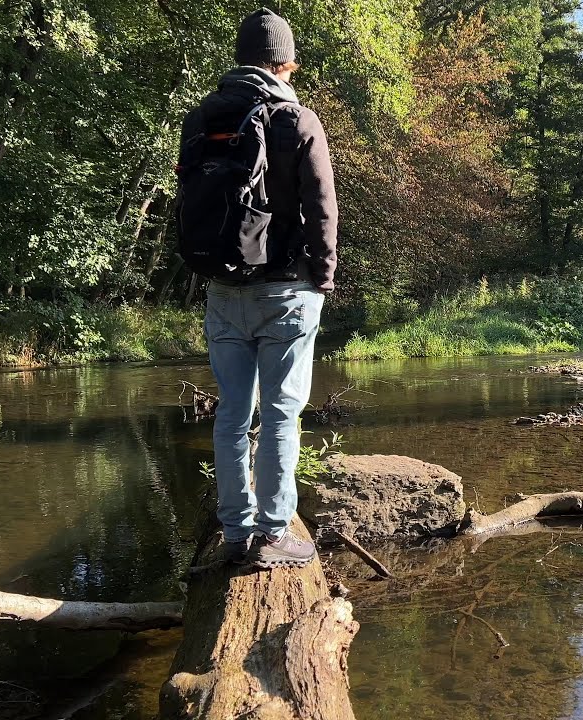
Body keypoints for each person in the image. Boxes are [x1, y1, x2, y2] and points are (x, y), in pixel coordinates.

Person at [189, 8, 338, 569]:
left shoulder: (202, 118)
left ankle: (234, 534)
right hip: (286, 289)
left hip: (223, 289)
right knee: (279, 413)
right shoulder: (297, 120)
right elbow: (322, 209)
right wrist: (320, 281)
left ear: (238, 58)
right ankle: (273, 534)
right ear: (287, 64)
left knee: (232, 413)